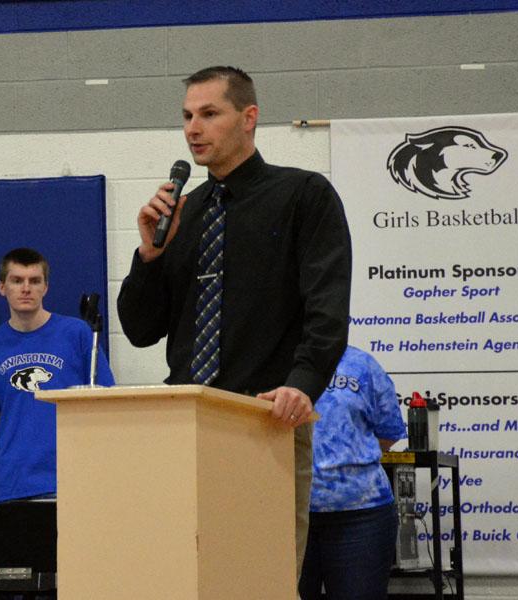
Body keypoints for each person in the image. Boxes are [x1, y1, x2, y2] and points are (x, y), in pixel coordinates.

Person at [116, 66, 352, 573]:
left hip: (263, 419)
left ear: (249, 118)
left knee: (261, 572)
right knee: (184, 572)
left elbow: (326, 308)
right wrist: (148, 255)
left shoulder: (302, 196)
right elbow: (140, 330)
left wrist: (303, 384)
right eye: (186, 116)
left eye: (208, 114)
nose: (192, 129)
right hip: (185, 423)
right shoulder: (185, 212)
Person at [0, 247, 114, 503]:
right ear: (2, 287)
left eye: (35, 281)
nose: (26, 288)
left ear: (46, 287)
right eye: (17, 280)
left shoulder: (77, 333)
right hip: (13, 484)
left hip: (69, 480)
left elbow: (104, 399)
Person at [298, 346, 407, 600]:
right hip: (287, 515)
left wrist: (345, 460)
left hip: (361, 518)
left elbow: (388, 432)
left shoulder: (363, 365)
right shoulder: (274, 362)